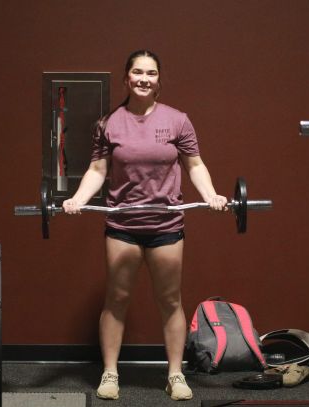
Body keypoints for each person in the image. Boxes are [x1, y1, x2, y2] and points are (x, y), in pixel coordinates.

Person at [62, 50, 228, 401]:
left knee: (169, 300)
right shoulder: (108, 124)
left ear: (158, 80)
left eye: (151, 73)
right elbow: (97, 170)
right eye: (137, 72)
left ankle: (175, 374)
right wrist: (77, 199)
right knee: (117, 298)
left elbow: (195, 165)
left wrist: (211, 195)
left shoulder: (178, 120)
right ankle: (110, 372)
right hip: (122, 224)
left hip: (166, 224)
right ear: (126, 78)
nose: (144, 79)